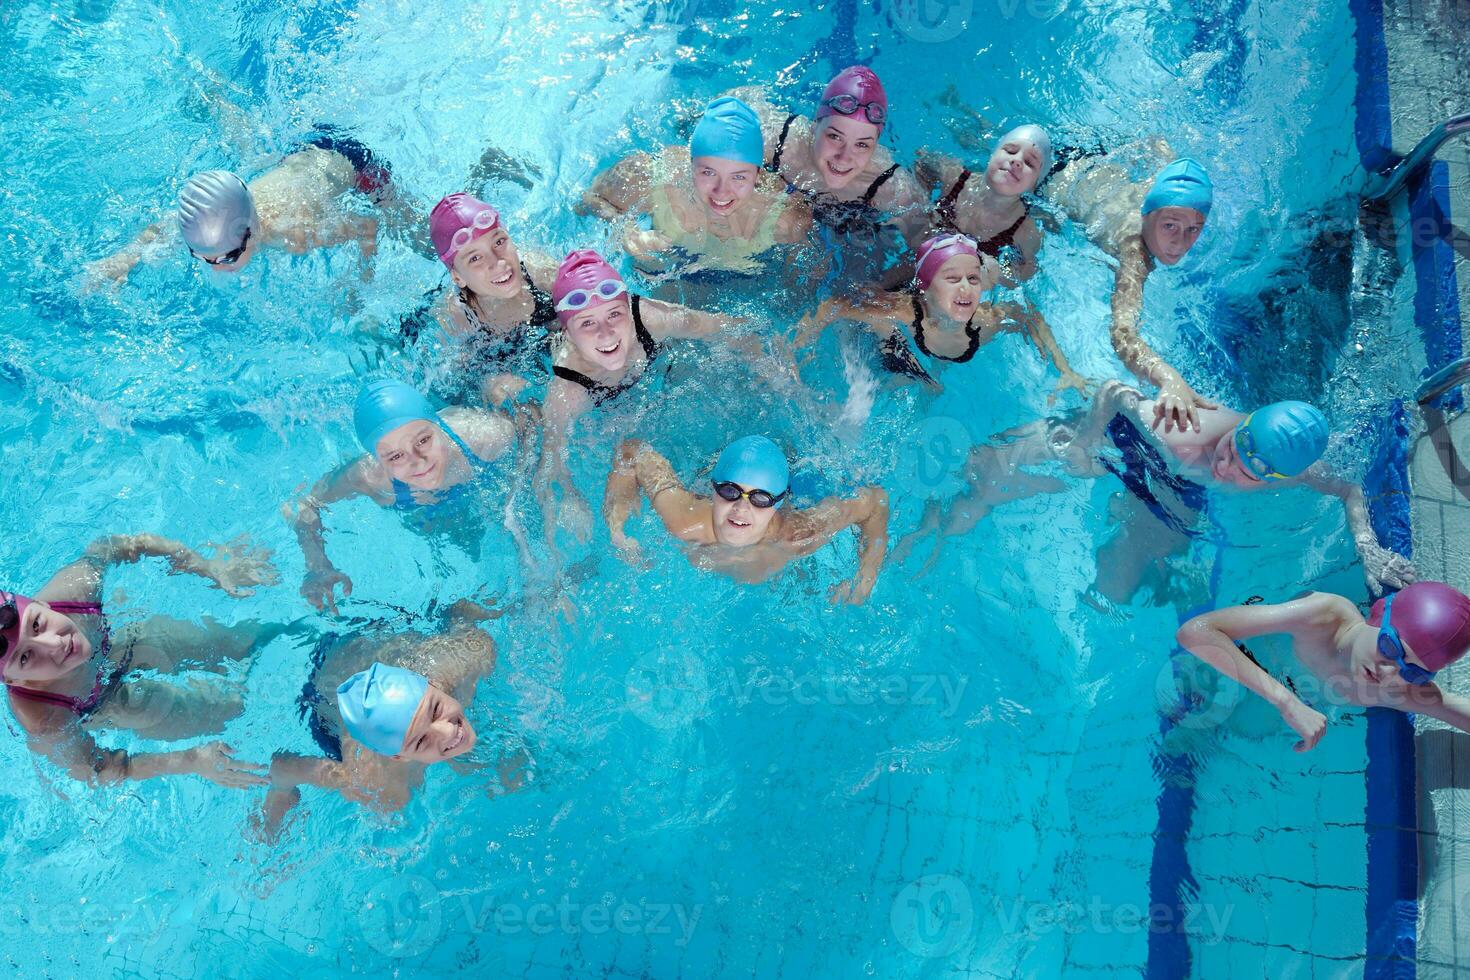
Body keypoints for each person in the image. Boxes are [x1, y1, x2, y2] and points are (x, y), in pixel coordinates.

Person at [896, 382, 1417, 600]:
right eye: (1235, 446)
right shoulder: (1186, 434)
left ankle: (1163, 574)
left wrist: (1369, 550)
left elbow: (1349, 490)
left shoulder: (1298, 469)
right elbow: (1117, 393)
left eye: (1247, 470)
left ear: (1278, 479)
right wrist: (1087, 440)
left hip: (1173, 489)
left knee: (1118, 585)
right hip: (1126, 436)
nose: (1227, 464)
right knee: (985, 470)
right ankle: (932, 524)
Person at [2, 533, 279, 788]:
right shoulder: (45, 718)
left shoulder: (75, 589)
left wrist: (207, 567)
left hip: (120, 646)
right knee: (227, 711)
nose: (56, 644)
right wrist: (191, 761)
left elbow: (115, 546)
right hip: (103, 705)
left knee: (236, 642)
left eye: (37, 624)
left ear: (41, 605)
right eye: (26, 657)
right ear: (13, 679)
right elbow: (97, 770)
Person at [257, 606, 523, 834]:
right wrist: (279, 798)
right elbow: (281, 768)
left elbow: (459, 610)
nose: (447, 730)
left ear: (430, 685)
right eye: (420, 741)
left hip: (371, 634)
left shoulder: (470, 653)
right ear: (398, 756)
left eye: (435, 709)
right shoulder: (378, 782)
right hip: (324, 691)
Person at [536, 249, 736, 545]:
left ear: (629, 310)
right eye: (587, 323)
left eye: (614, 314)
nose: (606, 333)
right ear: (568, 332)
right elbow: (551, 463)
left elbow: (725, 326)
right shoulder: (566, 392)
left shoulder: (651, 318)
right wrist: (570, 496)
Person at [287, 380, 522, 614]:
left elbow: (529, 422)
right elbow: (306, 504)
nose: (418, 460)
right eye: (395, 456)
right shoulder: (367, 477)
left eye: (423, 440)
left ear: (438, 424)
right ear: (378, 460)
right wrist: (317, 564)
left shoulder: (487, 435)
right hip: (424, 515)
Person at [83, 125, 414, 286]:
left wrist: (359, 283)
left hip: (353, 163)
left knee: (410, 229)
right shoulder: (211, 213)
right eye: (201, 256)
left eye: (227, 257)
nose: (215, 267)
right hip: (299, 154)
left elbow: (366, 227)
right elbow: (161, 228)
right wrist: (124, 257)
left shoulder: (294, 234)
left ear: (253, 232)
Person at [1176, 581, 1470, 751]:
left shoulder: (1396, 689)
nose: (1388, 670)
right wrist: (1287, 702)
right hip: (1250, 657)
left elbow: (1453, 708)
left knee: (1243, 730)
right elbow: (1195, 632)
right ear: (1378, 613)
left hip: (1285, 692)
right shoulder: (1320, 617)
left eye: (1413, 670)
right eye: (1390, 647)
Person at [1045, 153, 1219, 432]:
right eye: (1169, 226)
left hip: (1095, 164)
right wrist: (1167, 377)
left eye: (1193, 229)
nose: (1179, 242)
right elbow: (1122, 333)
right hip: (1051, 179)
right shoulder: (1135, 255)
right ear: (1145, 216)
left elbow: (1161, 150)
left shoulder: (1162, 193)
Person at [603, 435, 890, 604]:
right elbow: (631, 450)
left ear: (777, 504)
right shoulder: (684, 521)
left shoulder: (797, 536)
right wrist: (617, 527)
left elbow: (875, 500)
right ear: (714, 490)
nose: (742, 508)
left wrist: (866, 577)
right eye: (730, 492)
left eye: (760, 499)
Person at [794, 233, 1086, 394]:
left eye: (973, 280)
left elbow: (1028, 315)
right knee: (914, 380)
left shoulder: (984, 323)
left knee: (933, 388)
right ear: (926, 286)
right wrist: (799, 344)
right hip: (891, 333)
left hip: (926, 350)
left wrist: (1066, 370)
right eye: (952, 279)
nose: (966, 289)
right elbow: (834, 304)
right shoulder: (897, 311)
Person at [581, 97, 813, 275]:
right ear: (691, 165)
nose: (722, 191)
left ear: (757, 174)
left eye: (739, 177)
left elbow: (802, 283)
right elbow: (588, 201)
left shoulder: (786, 218)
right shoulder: (647, 176)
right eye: (708, 172)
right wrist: (623, 229)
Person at [731, 66, 929, 271]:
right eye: (834, 136)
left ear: (875, 145)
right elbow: (731, 105)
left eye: (862, 145)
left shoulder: (890, 186)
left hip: (853, 225)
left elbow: (932, 250)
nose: (844, 157)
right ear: (815, 126)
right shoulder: (779, 142)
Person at [424, 192, 560, 406]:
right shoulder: (454, 319)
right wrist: (486, 383)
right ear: (457, 277)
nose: (497, 262)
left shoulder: (540, 272)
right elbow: (442, 387)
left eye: (499, 241)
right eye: (475, 258)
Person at [914, 125, 1051, 286]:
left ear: (1034, 185)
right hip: (920, 259)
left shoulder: (1025, 229)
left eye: (1029, 162)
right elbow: (922, 158)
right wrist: (922, 206)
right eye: (1010, 151)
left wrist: (996, 276)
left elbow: (1029, 271)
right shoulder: (954, 177)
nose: (1017, 161)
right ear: (992, 154)